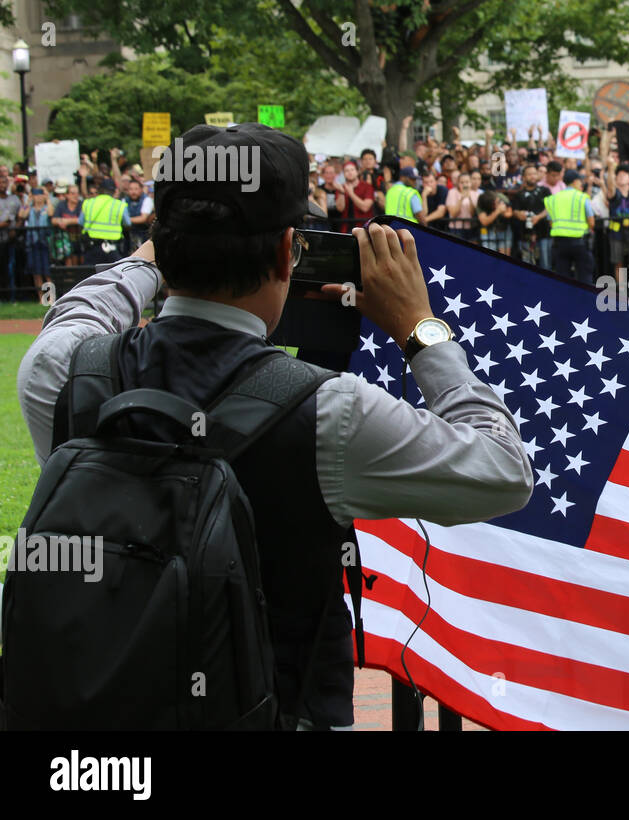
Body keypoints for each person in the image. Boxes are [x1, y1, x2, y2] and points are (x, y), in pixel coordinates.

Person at [16, 121, 532, 730]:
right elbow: (503, 471)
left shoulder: (67, 371)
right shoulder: (331, 411)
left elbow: (86, 305)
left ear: (159, 239)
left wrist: (157, 252)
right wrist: (419, 326)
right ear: (291, 251)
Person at [541, 170, 595, 283]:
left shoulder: (553, 198)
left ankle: (565, 300)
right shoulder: (582, 197)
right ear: (575, 182)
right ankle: (584, 300)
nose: (581, 184)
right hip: (580, 242)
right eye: (580, 181)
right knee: (584, 276)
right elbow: (591, 222)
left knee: (562, 278)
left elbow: (551, 222)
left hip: (559, 244)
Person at [79, 176, 127, 267]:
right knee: (117, 271)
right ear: (114, 191)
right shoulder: (119, 205)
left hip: (92, 245)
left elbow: (81, 222)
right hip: (113, 246)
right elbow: (127, 223)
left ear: (100, 190)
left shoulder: (88, 203)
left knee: (89, 273)